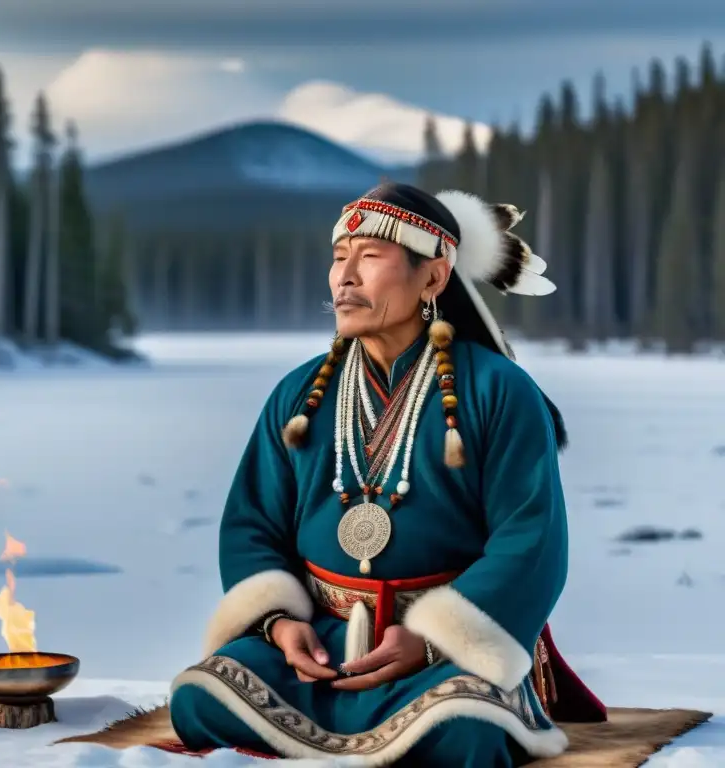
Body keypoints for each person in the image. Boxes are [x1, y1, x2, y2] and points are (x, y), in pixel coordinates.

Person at [167, 183, 606, 766]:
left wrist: (429, 637)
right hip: (321, 645)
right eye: (338, 257)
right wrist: (278, 624)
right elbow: (252, 525)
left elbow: (531, 542)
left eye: (369, 258)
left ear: (433, 278)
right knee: (200, 696)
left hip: (445, 654)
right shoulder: (298, 395)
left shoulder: (500, 392)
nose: (343, 277)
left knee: (466, 728)